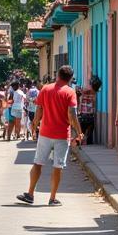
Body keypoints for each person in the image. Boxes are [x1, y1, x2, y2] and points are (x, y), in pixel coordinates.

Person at [16, 64, 84, 207]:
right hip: (61, 135)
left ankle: (30, 194)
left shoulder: (46, 89)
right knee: (57, 167)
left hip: (45, 133)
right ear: (70, 78)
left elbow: (39, 110)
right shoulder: (70, 92)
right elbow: (72, 114)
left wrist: (34, 124)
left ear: (57, 75)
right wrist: (79, 131)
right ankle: (52, 198)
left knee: (38, 163)